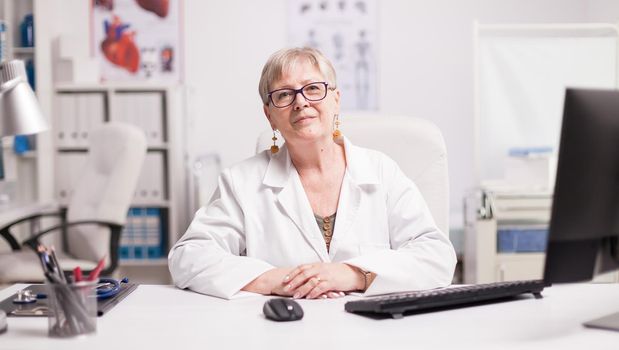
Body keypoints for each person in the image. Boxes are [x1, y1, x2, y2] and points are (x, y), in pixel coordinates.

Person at [168, 47, 456, 300]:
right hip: (278, 331)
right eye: (284, 94)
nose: (301, 102)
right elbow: (188, 257)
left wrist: (352, 274)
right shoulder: (242, 181)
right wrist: (275, 280)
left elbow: (436, 257)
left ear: (336, 100)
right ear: (269, 115)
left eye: (313, 88)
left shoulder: (381, 172)